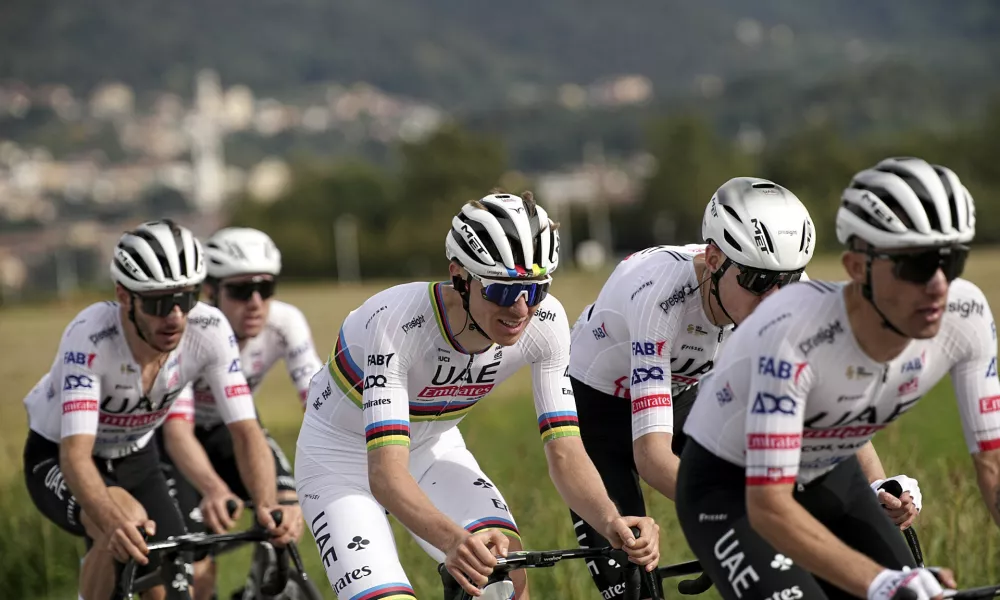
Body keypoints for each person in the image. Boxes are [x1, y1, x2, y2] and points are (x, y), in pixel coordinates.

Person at [568, 177, 922, 600]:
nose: (773, 296)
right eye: (756, 280)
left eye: (786, 279)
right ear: (714, 257)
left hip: (683, 395)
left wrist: (879, 487)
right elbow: (651, 456)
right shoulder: (660, 294)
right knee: (632, 582)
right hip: (597, 409)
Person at [295, 191, 660, 600]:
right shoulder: (398, 323)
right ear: (459, 277)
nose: (522, 309)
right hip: (340, 459)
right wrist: (453, 542)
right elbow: (384, 474)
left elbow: (566, 452)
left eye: (536, 289)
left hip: (432, 448)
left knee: (502, 578)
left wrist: (611, 521)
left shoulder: (547, 322)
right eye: (504, 291)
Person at [675, 157, 996, 600]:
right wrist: (881, 582)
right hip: (733, 490)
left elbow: (993, 466)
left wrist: (879, 487)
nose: (939, 284)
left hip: (825, 470)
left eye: (952, 260)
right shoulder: (792, 333)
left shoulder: (967, 315)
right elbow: (769, 508)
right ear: (856, 267)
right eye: (915, 266)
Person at [21, 219, 295, 600]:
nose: (175, 317)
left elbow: (246, 431)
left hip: (136, 454)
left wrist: (268, 505)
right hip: (59, 455)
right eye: (158, 302)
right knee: (120, 525)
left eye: (186, 298)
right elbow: (77, 455)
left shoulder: (210, 330)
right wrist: (109, 519)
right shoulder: (91, 336)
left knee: (171, 580)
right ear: (124, 295)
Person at [157, 227, 323, 599]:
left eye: (265, 289)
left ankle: (260, 587)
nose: (255, 302)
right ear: (211, 291)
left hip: (236, 429)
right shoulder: (188, 333)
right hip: (178, 439)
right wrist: (213, 489)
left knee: (285, 509)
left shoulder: (285, 322)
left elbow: (317, 401)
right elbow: (178, 433)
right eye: (240, 290)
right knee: (198, 562)